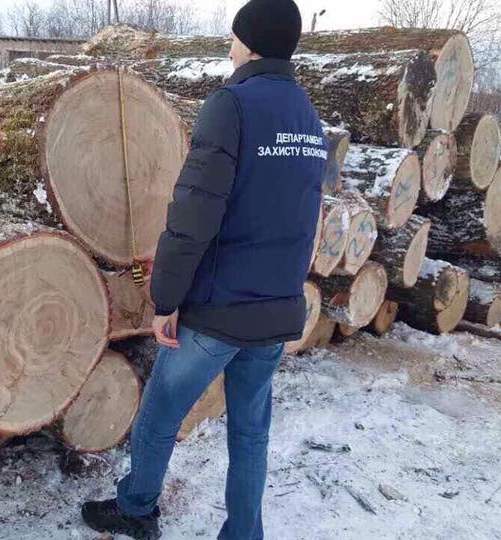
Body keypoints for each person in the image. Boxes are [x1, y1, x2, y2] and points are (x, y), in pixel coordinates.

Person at [82, 0, 326, 538]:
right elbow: (301, 215)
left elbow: (193, 214)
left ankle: (136, 509)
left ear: (252, 41)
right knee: (250, 431)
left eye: (235, 36)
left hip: (218, 311)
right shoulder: (309, 118)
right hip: (275, 309)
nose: (230, 46)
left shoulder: (231, 105)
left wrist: (165, 300)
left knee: (158, 415)